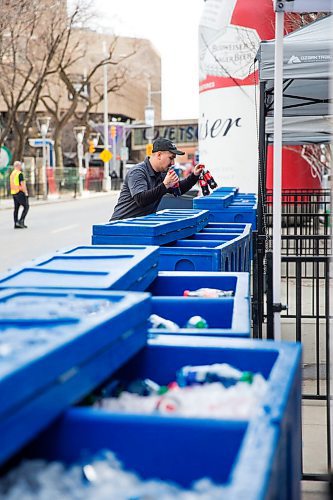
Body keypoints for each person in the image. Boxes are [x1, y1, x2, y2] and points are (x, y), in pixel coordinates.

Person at [110, 138, 204, 220]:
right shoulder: (137, 172)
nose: (173, 163)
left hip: (140, 225)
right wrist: (165, 185)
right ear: (159, 155)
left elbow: (178, 190)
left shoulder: (162, 174)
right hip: (120, 226)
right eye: (171, 158)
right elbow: (141, 199)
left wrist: (194, 175)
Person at [10, 161, 29, 229]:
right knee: (26, 206)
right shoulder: (19, 173)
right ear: (18, 166)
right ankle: (21, 221)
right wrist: (26, 192)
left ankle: (16, 223)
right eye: (20, 165)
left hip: (14, 193)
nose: (21, 167)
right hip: (20, 192)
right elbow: (22, 184)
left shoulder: (12, 173)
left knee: (16, 208)